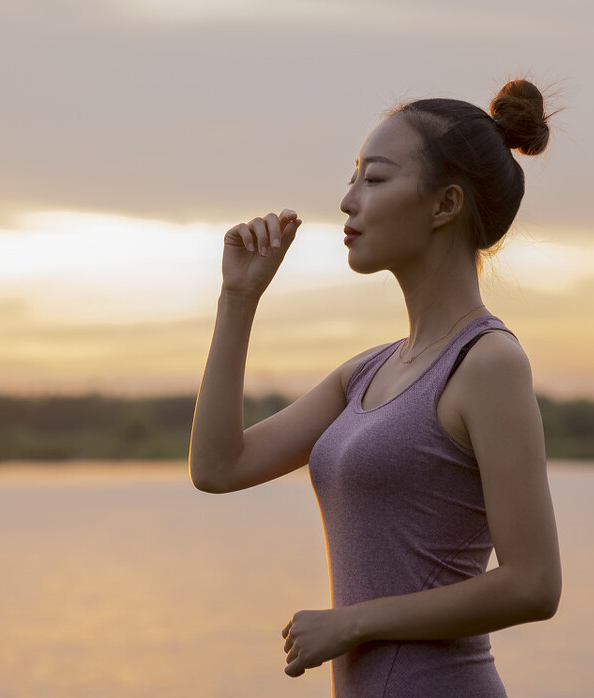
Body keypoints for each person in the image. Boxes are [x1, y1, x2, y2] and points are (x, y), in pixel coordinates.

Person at [188, 79, 562, 697]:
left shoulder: (488, 363)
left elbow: (534, 584)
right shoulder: (364, 373)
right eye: (353, 176)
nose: (347, 200)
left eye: (375, 179)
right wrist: (238, 298)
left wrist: (353, 624)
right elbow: (217, 467)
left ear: (444, 205)